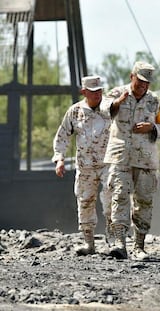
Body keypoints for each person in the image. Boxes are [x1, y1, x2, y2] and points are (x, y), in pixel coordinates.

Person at [102, 61, 160, 260]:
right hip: (120, 157)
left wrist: (152, 128)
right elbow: (103, 112)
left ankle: (139, 246)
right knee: (119, 197)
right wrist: (118, 103)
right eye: (140, 82)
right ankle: (119, 243)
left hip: (145, 160)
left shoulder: (154, 101)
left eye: (147, 83)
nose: (143, 86)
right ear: (132, 76)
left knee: (144, 201)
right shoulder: (117, 93)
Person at [52, 75, 112, 256]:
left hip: (109, 164)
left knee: (112, 201)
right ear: (84, 92)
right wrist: (60, 158)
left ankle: (114, 241)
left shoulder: (111, 108)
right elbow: (62, 136)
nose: (96, 95)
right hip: (85, 166)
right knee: (85, 202)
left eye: (99, 91)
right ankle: (89, 243)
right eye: (92, 92)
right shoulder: (75, 111)